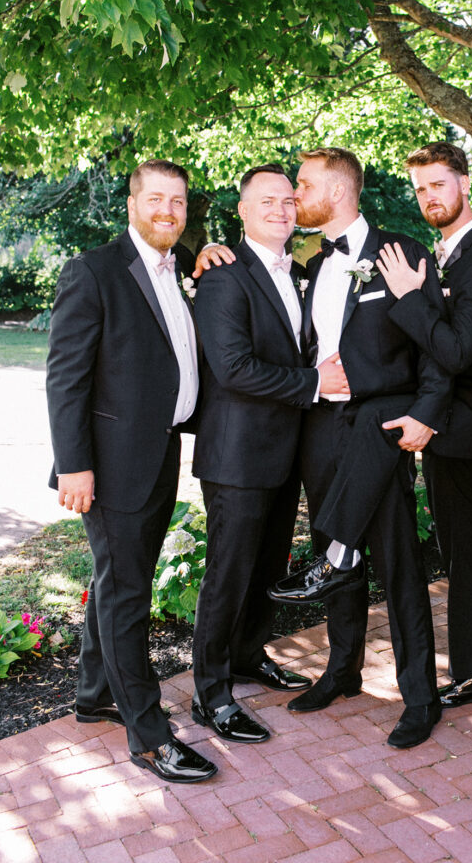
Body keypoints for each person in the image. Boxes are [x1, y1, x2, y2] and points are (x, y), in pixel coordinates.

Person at [267, 146, 453, 749]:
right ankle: (342, 670)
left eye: (303, 184)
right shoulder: (309, 263)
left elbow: (436, 347)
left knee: (399, 564)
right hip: (321, 428)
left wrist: (426, 413)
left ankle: (420, 697)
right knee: (332, 558)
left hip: (381, 428)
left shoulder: (400, 253)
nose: (295, 195)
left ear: (340, 191)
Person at [46, 159, 217, 783]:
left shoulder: (182, 266)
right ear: (132, 202)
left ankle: (94, 696)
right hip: (110, 467)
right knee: (127, 596)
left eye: (177, 200)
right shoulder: (93, 271)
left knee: (122, 579)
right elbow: (66, 378)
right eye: (155, 199)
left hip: (160, 453)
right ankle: (149, 736)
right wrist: (75, 467)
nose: (167, 210)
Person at [190, 165, 328, 746]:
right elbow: (233, 368)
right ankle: (210, 694)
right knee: (228, 573)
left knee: (267, 568)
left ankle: (249, 655)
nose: (281, 208)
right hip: (237, 457)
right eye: (266, 200)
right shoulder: (224, 276)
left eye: (289, 200)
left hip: (282, 455)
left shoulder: (297, 273)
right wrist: (315, 383)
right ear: (242, 211)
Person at [376, 141, 472, 709]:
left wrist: (408, 298)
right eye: (421, 188)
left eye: (439, 184)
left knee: (460, 550)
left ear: (465, 184)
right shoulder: (447, 253)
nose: (429, 196)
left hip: (466, 427)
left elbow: (456, 351)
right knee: (457, 549)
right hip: (449, 422)